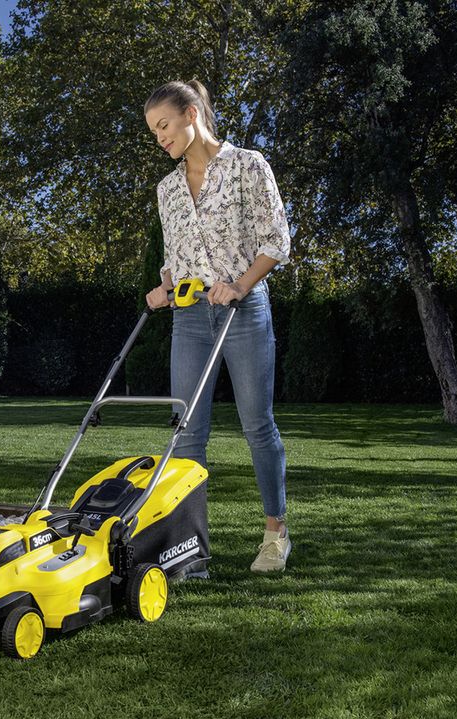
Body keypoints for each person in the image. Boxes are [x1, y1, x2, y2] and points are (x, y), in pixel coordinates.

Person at [143, 79, 292, 575]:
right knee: (186, 433)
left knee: (257, 425)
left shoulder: (248, 165)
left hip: (242, 312)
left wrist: (240, 285)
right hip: (190, 318)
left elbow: (276, 240)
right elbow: (174, 255)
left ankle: (275, 534)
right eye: (154, 131)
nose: (160, 138)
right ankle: (190, 552)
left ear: (191, 114)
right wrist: (164, 286)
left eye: (164, 125)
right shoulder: (167, 189)